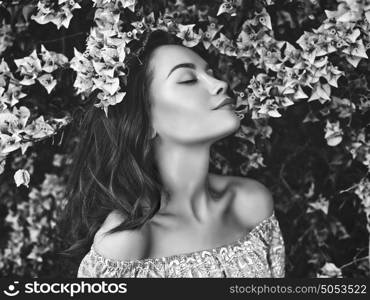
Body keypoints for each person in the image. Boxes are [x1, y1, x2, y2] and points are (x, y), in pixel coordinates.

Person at [61, 29, 285, 278]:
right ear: (145, 123)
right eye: (188, 79)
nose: (220, 84)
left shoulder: (251, 203)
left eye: (210, 73)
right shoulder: (126, 242)